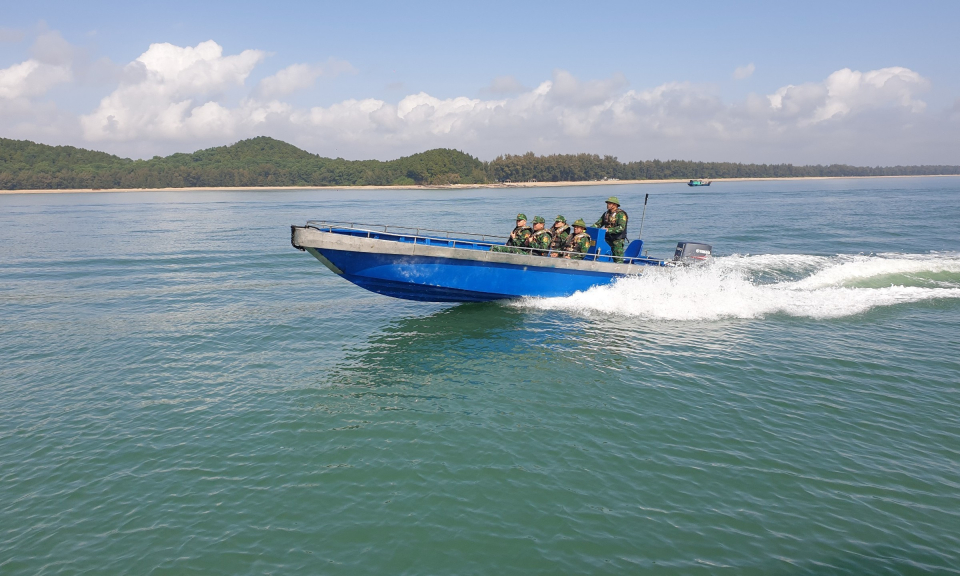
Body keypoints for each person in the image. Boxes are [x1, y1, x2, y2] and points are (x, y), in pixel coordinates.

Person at [594, 196, 628, 263]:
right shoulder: (606, 214)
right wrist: (588, 230)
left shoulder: (621, 214)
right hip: (607, 238)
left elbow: (621, 228)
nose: (607, 205)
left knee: (618, 257)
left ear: (615, 205)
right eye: (607, 203)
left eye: (609, 203)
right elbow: (598, 224)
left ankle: (619, 270)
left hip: (617, 239)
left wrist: (608, 230)